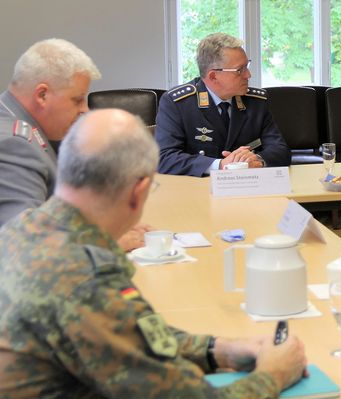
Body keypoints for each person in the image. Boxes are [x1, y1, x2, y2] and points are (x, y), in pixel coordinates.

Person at [0, 109, 307, 397]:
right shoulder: (88, 278)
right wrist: (274, 374)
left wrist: (217, 349)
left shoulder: (23, 230)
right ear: (138, 191)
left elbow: (130, 337)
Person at [0, 38, 149, 251]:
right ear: (42, 95)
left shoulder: (16, 121)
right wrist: (105, 243)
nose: (85, 110)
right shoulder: (13, 144)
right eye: (77, 100)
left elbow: (44, 218)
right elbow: (23, 246)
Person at [155, 32, 291, 176]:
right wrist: (220, 165)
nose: (248, 75)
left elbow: (281, 150)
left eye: (247, 66)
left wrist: (257, 160)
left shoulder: (256, 102)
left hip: (249, 188)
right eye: (240, 70)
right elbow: (164, 158)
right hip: (197, 191)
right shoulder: (178, 104)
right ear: (213, 76)